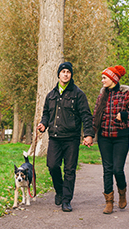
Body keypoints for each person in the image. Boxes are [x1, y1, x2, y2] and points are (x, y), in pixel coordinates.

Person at [37, 61, 94, 212]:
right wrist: (43, 124)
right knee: (52, 165)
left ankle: (66, 200)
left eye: (68, 72)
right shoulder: (51, 95)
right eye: (63, 72)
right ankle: (60, 191)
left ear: (71, 75)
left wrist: (88, 134)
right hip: (55, 137)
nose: (66, 74)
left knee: (70, 170)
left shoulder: (78, 94)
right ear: (59, 75)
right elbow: (46, 114)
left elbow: (86, 116)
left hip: (71, 138)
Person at [92, 65, 129, 214]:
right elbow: (95, 117)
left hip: (121, 137)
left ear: (113, 79)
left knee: (117, 169)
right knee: (107, 169)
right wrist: (89, 134)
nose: (102, 80)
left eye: (104, 78)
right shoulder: (102, 96)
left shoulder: (125, 95)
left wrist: (125, 115)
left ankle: (122, 192)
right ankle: (108, 202)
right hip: (104, 138)